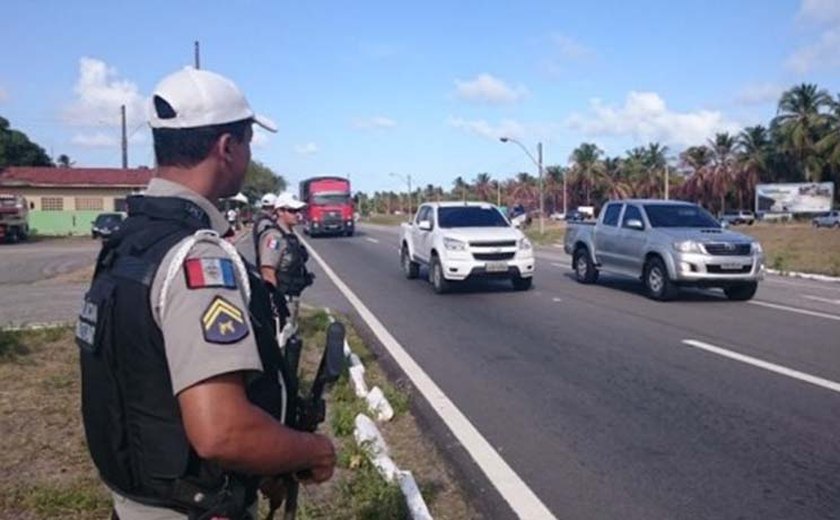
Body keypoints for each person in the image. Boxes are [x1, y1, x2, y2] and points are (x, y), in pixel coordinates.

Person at [76, 67, 335, 520]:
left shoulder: (128, 241)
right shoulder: (197, 260)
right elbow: (223, 432)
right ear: (227, 148)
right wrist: (311, 450)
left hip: (135, 498)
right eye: (249, 143)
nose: (249, 156)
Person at [256, 192, 313, 328]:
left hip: (292, 297)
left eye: (298, 210)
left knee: (291, 337)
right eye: (292, 211)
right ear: (280, 211)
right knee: (283, 339)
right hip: (282, 300)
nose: (297, 214)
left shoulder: (289, 235)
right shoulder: (274, 237)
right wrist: (275, 303)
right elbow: (268, 271)